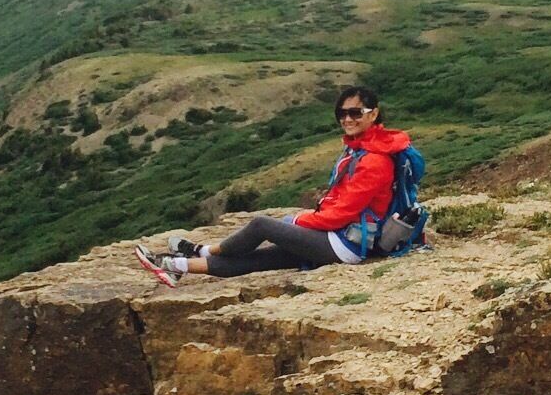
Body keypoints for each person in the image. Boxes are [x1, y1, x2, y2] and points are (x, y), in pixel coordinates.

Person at [135, 86, 410, 285]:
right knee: (260, 259)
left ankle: (205, 250)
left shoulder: (374, 161)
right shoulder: (360, 149)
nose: (347, 119)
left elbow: (341, 214)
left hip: (346, 244)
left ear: (373, 115)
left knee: (262, 226)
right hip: (339, 238)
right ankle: (177, 266)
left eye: (355, 112)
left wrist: (299, 220)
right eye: (342, 112)